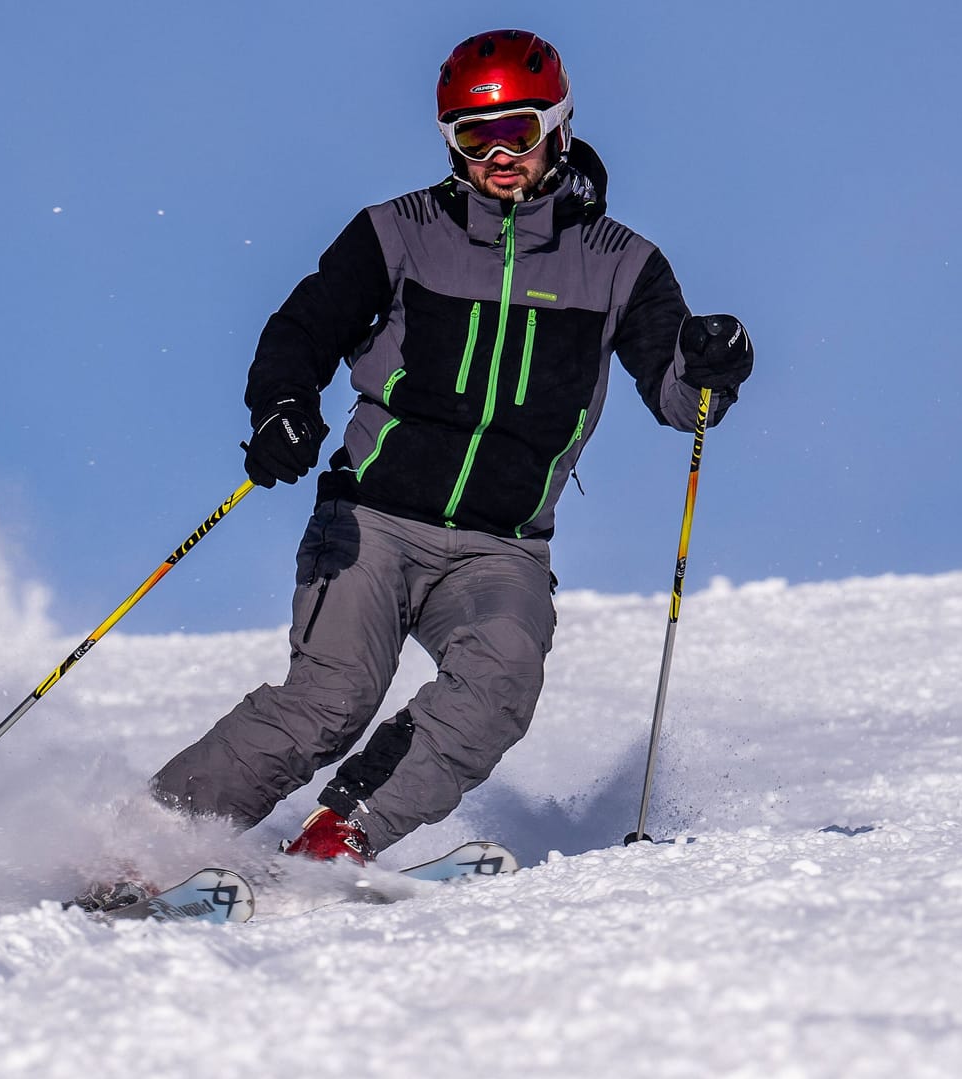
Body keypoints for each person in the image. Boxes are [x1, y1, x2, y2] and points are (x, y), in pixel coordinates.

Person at [149, 29, 755, 864]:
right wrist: (282, 407)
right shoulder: (398, 231)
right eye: (476, 137)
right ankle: (145, 841)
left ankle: (338, 838)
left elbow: (678, 397)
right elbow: (305, 326)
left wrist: (710, 363)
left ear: (560, 126)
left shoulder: (622, 265)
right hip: (372, 521)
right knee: (334, 698)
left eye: (520, 132)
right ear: (451, 142)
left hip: (500, 547)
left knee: (502, 681)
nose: (500, 156)